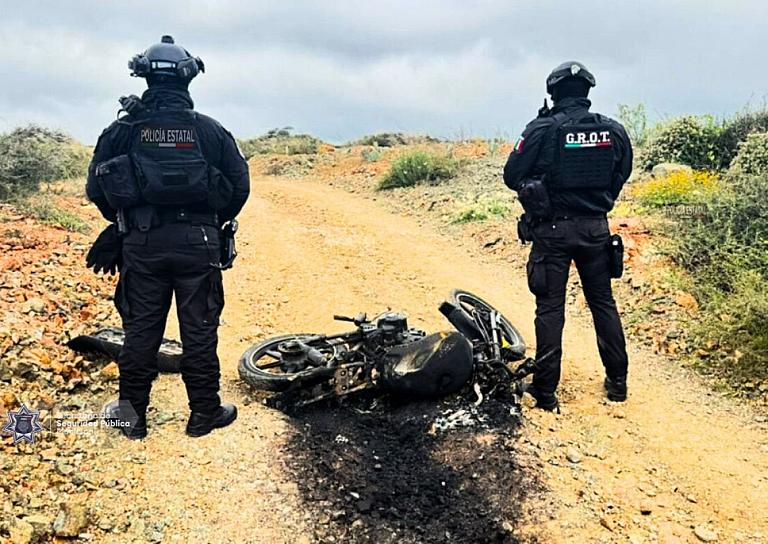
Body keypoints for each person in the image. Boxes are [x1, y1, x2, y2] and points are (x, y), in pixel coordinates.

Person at [85, 35, 250, 438]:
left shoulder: (122, 131)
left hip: (142, 244)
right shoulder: (210, 132)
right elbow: (240, 187)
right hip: (199, 244)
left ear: (144, 76)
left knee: (141, 331)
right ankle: (204, 415)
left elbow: (95, 188)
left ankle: (132, 418)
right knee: (199, 329)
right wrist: (210, 223)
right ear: (188, 78)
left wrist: (127, 220)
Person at [503, 61, 633, 411]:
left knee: (550, 308)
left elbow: (511, 174)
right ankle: (618, 383)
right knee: (602, 302)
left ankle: (545, 391)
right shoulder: (613, 130)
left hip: (553, 231)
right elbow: (623, 171)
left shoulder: (542, 128)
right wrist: (597, 203)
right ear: (587, 92)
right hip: (596, 229)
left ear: (553, 92)